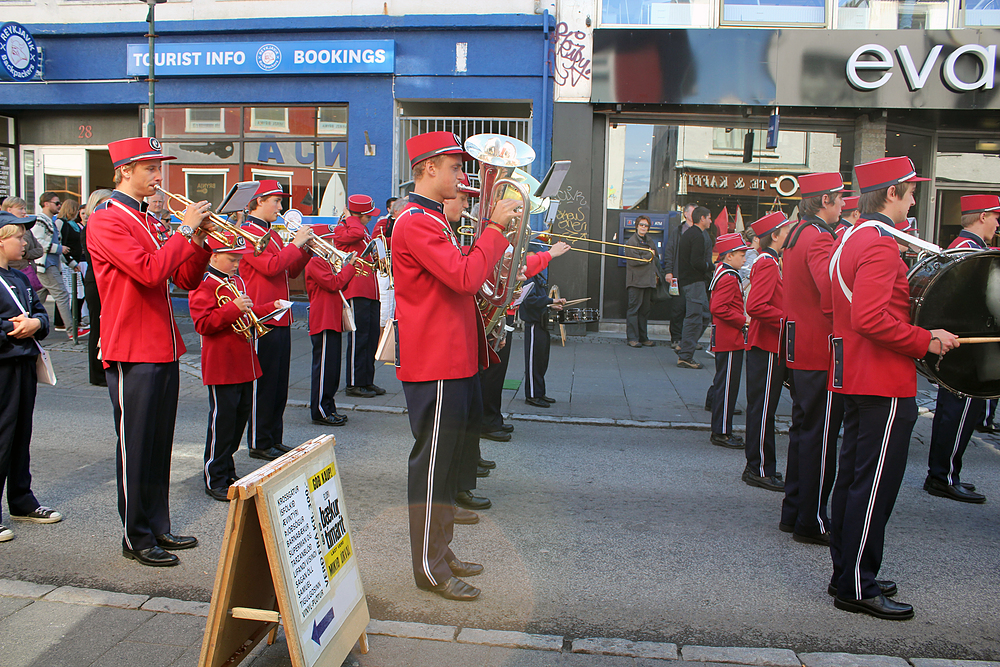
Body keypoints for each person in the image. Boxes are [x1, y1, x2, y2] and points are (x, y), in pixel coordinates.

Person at [827, 155, 958, 620]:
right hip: (882, 380)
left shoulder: (850, 237)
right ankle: (857, 586)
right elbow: (870, 318)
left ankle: (846, 572)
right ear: (891, 193)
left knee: (852, 481)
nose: (915, 197)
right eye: (911, 189)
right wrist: (928, 339)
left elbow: (838, 306)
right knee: (873, 487)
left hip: (855, 374)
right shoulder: (880, 245)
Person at [392, 130, 520, 601]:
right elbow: (465, 276)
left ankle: (440, 550)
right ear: (429, 169)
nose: (463, 177)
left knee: (446, 469)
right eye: (454, 167)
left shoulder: (432, 218)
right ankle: (429, 567)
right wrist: (495, 230)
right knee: (432, 468)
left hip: (455, 359)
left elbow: (461, 277)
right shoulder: (415, 221)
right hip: (436, 362)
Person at [87, 136, 213, 567]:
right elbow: (147, 272)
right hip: (130, 345)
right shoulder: (108, 219)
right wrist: (181, 230)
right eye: (150, 169)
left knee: (159, 444)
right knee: (136, 446)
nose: (159, 178)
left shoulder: (146, 219)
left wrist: (199, 239)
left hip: (161, 344)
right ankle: (135, 536)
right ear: (124, 171)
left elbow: (187, 279)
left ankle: (158, 524)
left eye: (159, 168)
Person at [780, 173, 847, 545]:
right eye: (838, 199)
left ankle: (794, 512)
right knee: (819, 438)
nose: (841, 206)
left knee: (803, 434)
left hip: (799, 345)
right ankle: (812, 520)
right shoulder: (819, 236)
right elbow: (830, 290)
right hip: (818, 348)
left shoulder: (797, 233)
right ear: (825, 201)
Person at [924, 194, 999, 504]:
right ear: (981, 216)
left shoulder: (965, 249)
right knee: (958, 413)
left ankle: (945, 472)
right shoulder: (968, 253)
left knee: (957, 413)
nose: (997, 223)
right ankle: (942, 476)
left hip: (961, 344)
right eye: (995, 217)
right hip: (963, 347)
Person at [190, 232, 276, 501]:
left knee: (238, 421)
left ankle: (227, 469)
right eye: (231, 259)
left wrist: (271, 308)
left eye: (238, 259)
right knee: (222, 422)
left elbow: (246, 313)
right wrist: (235, 309)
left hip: (243, 360)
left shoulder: (235, 280)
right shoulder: (204, 285)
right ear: (214, 256)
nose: (237, 264)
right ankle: (214, 476)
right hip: (222, 363)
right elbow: (203, 324)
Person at [0, 211, 62, 545]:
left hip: (24, 364)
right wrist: (13, 328)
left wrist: (36, 324)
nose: (25, 242)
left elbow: (41, 314)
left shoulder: (21, 277)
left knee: (21, 433)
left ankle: (21, 499)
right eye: (19, 236)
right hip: (3, 366)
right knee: (2, 436)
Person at [240, 180, 311, 461]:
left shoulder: (273, 234)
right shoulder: (247, 232)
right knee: (264, 383)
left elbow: (289, 269)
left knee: (279, 384)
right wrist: (295, 244)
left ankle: (273, 437)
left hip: (280, 315)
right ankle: (259, 440)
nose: (281, 207)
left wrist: (305, 249)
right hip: (262, 316)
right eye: (276, 201)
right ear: (258, 201)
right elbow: (271, 267)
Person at [743, 211, 794, 492]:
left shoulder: (771, 261)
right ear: (774, 236)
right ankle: (759, 468)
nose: (789, 235)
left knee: (763, 408)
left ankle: (759, 465)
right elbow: (756, 306)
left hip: (769, 344)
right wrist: (787, 321)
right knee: (763, 410)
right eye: (785, 231)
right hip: (767, 345)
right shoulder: (768, 263)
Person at [305, 225, 358, 428]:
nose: (331, 245)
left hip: (332, 318)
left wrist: (345, 269)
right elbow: (334, 284)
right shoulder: (316, 262)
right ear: (316, 243)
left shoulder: (325, 262)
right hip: (323, 319)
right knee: (324, 368)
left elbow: (339, 285)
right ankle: (320, 410)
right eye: (327, 241)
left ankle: (329, 406)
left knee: (332, 368)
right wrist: (349, 267)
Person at [334, 195, 384, 398]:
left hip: (369, 288)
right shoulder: (347, 228)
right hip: (356, 288)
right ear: (360, 214)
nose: (370, 219)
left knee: (371, 337)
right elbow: (352, 234)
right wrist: (350, 218)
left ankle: (366, 380)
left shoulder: (360, 229)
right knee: (358, 338)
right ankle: (354, 383)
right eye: (367, 215)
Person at [708, 233, 749, 449]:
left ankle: (722, 429)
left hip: (726, 337)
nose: (744, 259)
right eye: (741, 255)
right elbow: (718, 308)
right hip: (730, 338)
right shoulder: (729, 276)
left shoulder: (724, 272)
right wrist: (744, 320)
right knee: (727, 388)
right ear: (729, 255)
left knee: (725, 385)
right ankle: (722, 432)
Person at [522, 251, 567, 408]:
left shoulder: (537, 276)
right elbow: (530, 301)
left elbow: (539, 300)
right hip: (533, 323)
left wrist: (551, 305)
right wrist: (551, 300)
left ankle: (540, 392)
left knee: (541, 361)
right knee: (534, 362)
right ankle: (533, 394)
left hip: (540, 322)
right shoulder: (527, 277)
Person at [80, 190, 113, 386]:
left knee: (103, 326)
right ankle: (97, 373)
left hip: (100, 280)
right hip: (96, 282)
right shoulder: (93, 224)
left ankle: (103, 370)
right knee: (97, 326)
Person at [676, 206, 714, 369]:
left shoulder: (693, 234)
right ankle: (685, 356)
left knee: (705, 315)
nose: (711, 221)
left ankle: (685, 345)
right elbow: (697, 262)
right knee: (694, 318)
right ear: (702, 219)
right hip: (694, 282)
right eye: (709, 217)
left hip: (694, 282)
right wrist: (712, 266)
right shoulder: (697, 236)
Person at [33, 192, 73, 334]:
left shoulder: (50, 221)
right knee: (62, 295)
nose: (59, 206)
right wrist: (59, 248)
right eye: (56, 203)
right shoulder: (41, 220)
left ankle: (28, 320)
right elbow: (38, 243)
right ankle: (71, 330)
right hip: (46, 265)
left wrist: (71, 263)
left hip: (49, 264)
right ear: (46, 203)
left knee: (38, 297)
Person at [373, 198, 406, 340]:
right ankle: (381, 341)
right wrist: (397, 239)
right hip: (386, 270)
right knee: (385, 309)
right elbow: (377, 241)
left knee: (395, 309)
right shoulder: (384, 222)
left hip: (400, 269)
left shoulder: (403, 223)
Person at [665, 203, 695, 348]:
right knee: (678, 308)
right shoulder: (678, 231)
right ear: (686, 214)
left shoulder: (700, 232)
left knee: (693, 309)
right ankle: (676, 338)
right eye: (693, 212)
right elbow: (670, 252)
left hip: (695, 278)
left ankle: (689, 340)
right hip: (678, 276)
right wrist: (669, 271)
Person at [624, 215, 657, 347]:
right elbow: (634, 260)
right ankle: (632, 338)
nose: (644, 227)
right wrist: (649, 254)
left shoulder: (649, 240)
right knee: (634, 310)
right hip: (636, 281)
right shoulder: (631, 241)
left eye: (646, 225)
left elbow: (656, 257)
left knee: (644, 311)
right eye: (641, 225)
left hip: (648, 281)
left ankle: (643, 337)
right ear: (637, 226)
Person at [3, 197, 45, 296]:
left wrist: (26, 254)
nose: (24, 212)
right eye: (20, 208)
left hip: (27, 272)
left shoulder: (26, 228)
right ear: (9, 209)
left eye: (24, 208)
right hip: (16, 272)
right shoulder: (6, 228)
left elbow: (39, 250)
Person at [55, 199, 85, 334]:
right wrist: (68, 257)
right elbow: (59, 240)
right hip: (65, 261)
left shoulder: (71, 224)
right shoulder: (61, 223)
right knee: (63, 293)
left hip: (72, 261)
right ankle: (64, 323)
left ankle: (73, 321)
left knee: (76, 291)